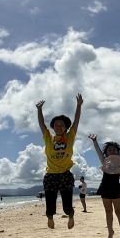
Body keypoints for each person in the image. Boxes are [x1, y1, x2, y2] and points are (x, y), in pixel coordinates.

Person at [36, 94, 83, 229]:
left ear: (66, 128)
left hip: (65, 174)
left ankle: (71, 215)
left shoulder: (70, 137)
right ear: (53, 127)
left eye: (62, 125)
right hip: (51, 175)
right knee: (50, 202)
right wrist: (39, 110)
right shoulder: (48, 138)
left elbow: (76, 122)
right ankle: (50, 218)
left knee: (67, 204)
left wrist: (79, 105)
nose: (59, 127)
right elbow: (41, 124)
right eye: (56, 125)